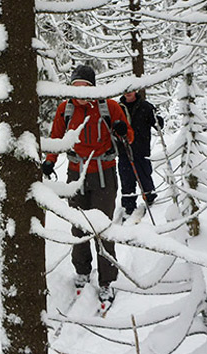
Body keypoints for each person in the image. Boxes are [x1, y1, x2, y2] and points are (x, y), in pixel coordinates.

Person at [40, 65, 133, 307]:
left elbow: (128, 136)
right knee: (78, 227)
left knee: (102, 229)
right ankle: (82, 270)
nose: (80, 92)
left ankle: (106, 281)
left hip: (104, 174)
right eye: (76, 86)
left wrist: (123, 130)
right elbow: (57, 139)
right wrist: (49, 162)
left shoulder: (109, 107)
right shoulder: (65, 109)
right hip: (75, 174)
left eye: (85, 87)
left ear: (93, 87)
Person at [118, 91, 159, 217]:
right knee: (126, 179)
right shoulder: (118, 108)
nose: (128, 94)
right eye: (125, 91)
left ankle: (150, 199)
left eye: (130, 91)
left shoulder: (146, 106)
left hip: (141, 150)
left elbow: (157, 123)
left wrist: (158, 122)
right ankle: (128, 207)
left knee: (145, 176)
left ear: (136, 91)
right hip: (124, 150)